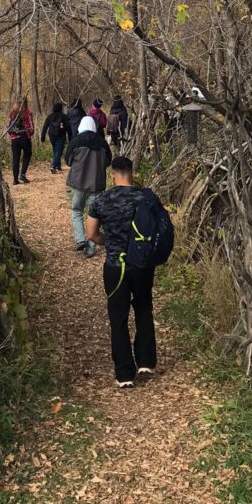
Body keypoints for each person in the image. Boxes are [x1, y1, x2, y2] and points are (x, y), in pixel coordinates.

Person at [86, 156, 157, 388]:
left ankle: (124, 374)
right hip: (143, 264)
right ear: (132, 173)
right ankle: (146, 361)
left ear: (112, 175)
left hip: (116, 266)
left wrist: (109, 242)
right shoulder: (146, 198)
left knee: (118, 317)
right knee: (144, 307)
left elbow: (91, 235)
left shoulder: (101, 201)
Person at [64, 116, 111, 257]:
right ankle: (91, 246)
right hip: (97, 184)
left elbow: (68, 160)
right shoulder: (102, 143)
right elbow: (108, 162)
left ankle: (80, 239)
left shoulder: (76, 141)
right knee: (94, 215)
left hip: (78, 183)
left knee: (77, 210)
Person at [6, 97, 34, 185]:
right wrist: (30, 134)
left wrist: (12, 135)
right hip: (24, 137)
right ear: (25, 103)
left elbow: (8, 126)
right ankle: (22, 174)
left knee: (15, 158)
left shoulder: (12, 113)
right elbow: (31, 127)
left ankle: (15, 179)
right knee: (28, 154)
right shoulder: (27, 113)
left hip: (14, 140)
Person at [41, 101, 69, 173]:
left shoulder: (50, 116)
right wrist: (70, 137)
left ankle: (58, 166)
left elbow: (45, 127)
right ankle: (54, 166)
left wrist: (42, 137)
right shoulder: (64, 116)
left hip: (51, 135)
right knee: (58, 151)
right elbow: (69, 127)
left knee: (56, 150)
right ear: (61, 108)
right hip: (61, 135)